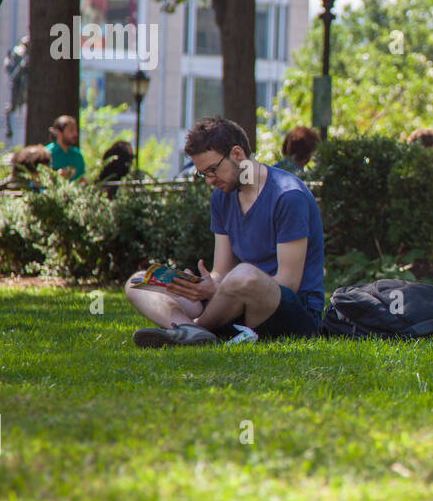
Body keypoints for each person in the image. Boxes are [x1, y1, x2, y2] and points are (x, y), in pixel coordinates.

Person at [123, 115, 325, 347]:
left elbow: (288, 283)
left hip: (289, 310)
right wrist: (202, 286)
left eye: (213, 170)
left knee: (245, 275)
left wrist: (221, 286)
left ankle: (194, 328)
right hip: (233, 302)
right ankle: (190, 331)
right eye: (203, 174)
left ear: (237, 154)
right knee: (141, 281)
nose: (209, 180)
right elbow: (221, 271)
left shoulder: (288, 196)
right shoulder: (221, 196)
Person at [44, 115, 86, 181]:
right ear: (59, 133)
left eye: (76, 130)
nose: (75, 134)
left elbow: (82, 178)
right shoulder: (46, 153)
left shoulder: (77, 154)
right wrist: (56, 176)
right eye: (71, 130)